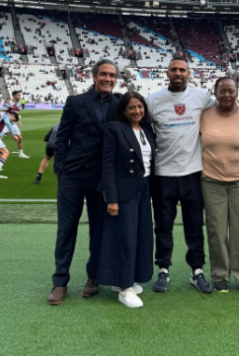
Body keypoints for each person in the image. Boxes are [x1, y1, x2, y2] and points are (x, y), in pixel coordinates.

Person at [48, 59, 120, 306]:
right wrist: (60, 168)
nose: (107, 78)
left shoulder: (120, 104)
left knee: (98, 230)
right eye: (103, 74)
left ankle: (94, 277)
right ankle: (60, 281)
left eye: (112, 75)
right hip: (73, 176)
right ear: (94, 76)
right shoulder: (75, 102)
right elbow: (62, 136)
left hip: (101, 177)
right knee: (66, 227)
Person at [146, 57, 216, 294]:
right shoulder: (153, 100)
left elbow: (223, 113)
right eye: (174, 69)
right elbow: (142, 131)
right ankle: (163, 269)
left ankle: (196, 271)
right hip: (163, 175)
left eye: (182, 70)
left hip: (192, 174)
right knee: (163, 226)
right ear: (167, 72)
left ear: (189, 73)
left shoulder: (201, 97)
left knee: (194, 225)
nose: (178, 73)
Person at [200, 77, 239, 294]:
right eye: (222, 91)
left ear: (237, 92)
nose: (226, 95)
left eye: (231, 91)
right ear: (215, 92)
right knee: (216, 230)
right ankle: (219, 275)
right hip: (210, 182)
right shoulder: (204, 116)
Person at [98, 91, 157, 308]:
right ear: (123, 110)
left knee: (141, 236)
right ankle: (124, 288)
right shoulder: (115, 128)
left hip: (144, 188)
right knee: (126, 238)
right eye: (132, 107)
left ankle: (127, 278)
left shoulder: (147, 129)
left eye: (140, 107)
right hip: (124, 191)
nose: (137, 111)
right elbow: (107, 165)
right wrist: (111, 199)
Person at [2, 91, 30, 159]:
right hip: (6, 123)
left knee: (20, 138)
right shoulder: (8, 103)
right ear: (14, 96)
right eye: (18, 95)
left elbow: (16, 113)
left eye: (20, 95)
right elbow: (3, 112)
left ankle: (20, 153)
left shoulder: (19, 103)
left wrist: (19, 121)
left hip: (13, 123)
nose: (19, 97)